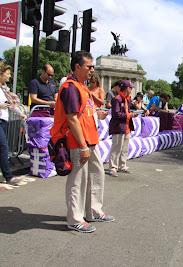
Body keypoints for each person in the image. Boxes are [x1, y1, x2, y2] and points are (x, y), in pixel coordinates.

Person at [51, 51, 114, 233]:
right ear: (77, 67)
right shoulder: (70, 87)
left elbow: (83, 113)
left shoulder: (81, 86)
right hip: (78, 141)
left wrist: (97, 114)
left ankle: (92, 210)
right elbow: (71, 119)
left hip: (89, 139)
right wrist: (83, 145)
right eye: (89, 66)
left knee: (96, 174)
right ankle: (75, 219)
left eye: (93, 66)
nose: (92, 69)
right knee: (77, 180)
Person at [0, 62, 30, 189]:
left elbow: (11, 105)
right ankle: (8, 176)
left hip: (4, 120)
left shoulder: (4, 89)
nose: (9, 76)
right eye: (7, 74)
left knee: (2, 148)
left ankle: (7, 175)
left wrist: (20, 114)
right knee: (4, 147)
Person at [108, 80, 136, 177]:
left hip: (126, 127)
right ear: (126, 88)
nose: (131, 89)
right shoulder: (117, 99)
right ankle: (113, 167)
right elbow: (116, 114)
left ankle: (122, 165)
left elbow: (126, 112)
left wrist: (132, 114)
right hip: (118, 127)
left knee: (124, 148)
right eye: (130, 87)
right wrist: (130, 115)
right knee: (116, 148)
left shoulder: (127, 99)